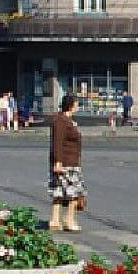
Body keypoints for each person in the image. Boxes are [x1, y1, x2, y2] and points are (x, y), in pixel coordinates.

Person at [47, 93, 85, 231]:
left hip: (68, 161)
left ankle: (55, 220)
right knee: (73, 193)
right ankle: (69, 221)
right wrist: (58, 161)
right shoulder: (62, 121)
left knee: (59, 192)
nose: (78, 107)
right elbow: (58, 142)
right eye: (77, 104)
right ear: (70, 105)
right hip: (67, 162)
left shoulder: (65, 120)